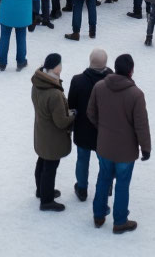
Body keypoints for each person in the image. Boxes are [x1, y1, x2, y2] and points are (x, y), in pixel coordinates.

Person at [88, 53, 150, 234]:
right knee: (122, 184)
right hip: (126, 151)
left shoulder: (99, 87)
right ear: (131, 71)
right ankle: (120, 221)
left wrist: (102, 129)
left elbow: (91, 113)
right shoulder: (136, 94)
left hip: (104, 146)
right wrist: (145, 147)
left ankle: (98, 215)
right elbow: (141, 125)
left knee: (103, 178)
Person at [31, 52, 75, 212]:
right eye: (60, 64)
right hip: (52, 138)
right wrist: (73, 115)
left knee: (42, 161)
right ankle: (47, 200)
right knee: (50, 167)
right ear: (56, 68)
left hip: (42, 133)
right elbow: (61, 122)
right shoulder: (54, 94)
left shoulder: (38, 83)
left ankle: (41, 190)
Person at [67, 48, 111, 202]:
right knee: (105, 161)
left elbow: (71, 105)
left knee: (82, 160)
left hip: (83, 129)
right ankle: (105, 186)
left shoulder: (78, 80)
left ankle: (82, 188)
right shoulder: (112, 80)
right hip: (104, 130)